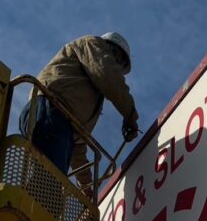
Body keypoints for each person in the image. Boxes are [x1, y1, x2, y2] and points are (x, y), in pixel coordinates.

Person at [19, 32, 139, 193]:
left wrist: (86, 187)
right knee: (49, 185)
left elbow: (77, 146)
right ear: (112, 48)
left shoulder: (85, 99)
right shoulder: (94, 44)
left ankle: (27, 210)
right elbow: (108, 76)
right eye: (119, 60)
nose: (118, 65)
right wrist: (130, 114)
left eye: (122, 64)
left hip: (57, 121)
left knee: (49, 184)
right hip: (49, 110)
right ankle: (27, 211)